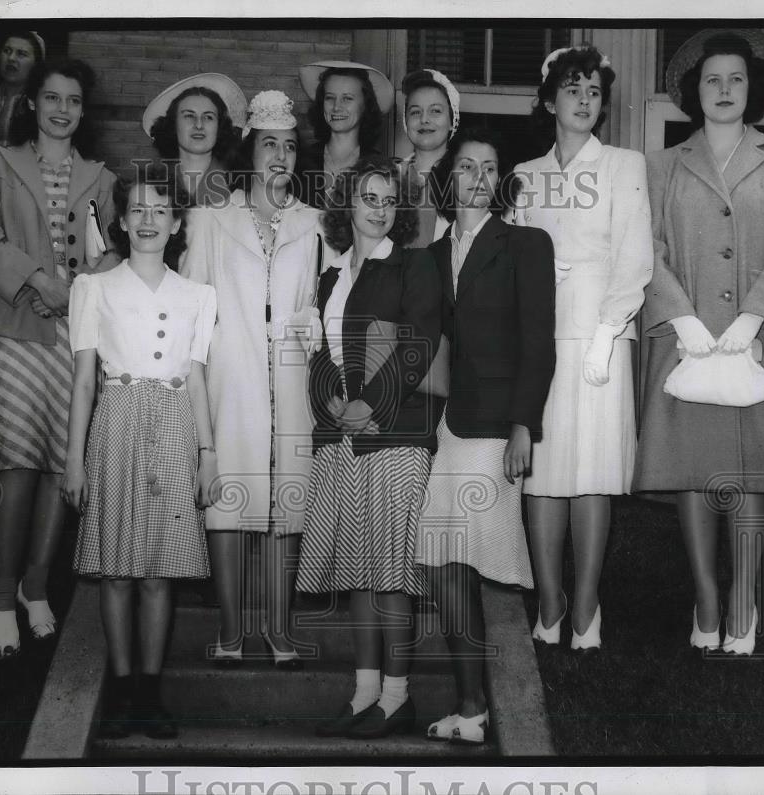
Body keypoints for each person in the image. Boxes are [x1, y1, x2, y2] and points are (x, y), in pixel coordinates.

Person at [634, 30, 764, 657]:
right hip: (684, 343)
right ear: (694, 90)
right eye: (712, 79)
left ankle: (744, 599)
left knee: (754, 472)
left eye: (736, 79)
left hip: (758, 342)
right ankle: (706, 598)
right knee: (693, 466)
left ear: (754, 88)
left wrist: (752, 319)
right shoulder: (660, 165)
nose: (724, 90)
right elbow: (646, 250)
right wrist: (681, 319)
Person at [0, 60, 117, 656]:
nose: (62, 109)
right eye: (51, 97)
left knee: (58, 463)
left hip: (73, 333)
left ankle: (37, 586)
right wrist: (37, 282)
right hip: (13, 327)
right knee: (18, 464)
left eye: (73, 100)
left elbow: (107, 250)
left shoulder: (101, 177)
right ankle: (0, 597)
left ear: (82, 109)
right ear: (32, 103)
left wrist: (80, 288)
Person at [63, 173, 219, 739]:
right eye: (138, 209)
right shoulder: (94, 289)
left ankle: (150, 695)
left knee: (158, 573)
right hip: (118, 424)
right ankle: (122, 691)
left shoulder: (198, 296)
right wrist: (74, 459)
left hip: (175, 427)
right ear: (122, 221)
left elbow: (197, 379)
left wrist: (208, 452)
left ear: (177, 224)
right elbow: (84, 383)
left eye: (161, 210)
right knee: (118, 573)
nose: (149, 218)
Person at [507, 46, 653, 651]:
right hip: (540, 343)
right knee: (543, 472)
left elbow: (634, 256)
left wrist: (604, 334)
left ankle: (587, 607)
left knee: (592, 472)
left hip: (601, 341)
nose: (585, 100)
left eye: (594, 90)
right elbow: (509, 260)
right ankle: (550, 601)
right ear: (549, 101)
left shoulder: (624, 165)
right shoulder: (526, 175)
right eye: (573, 89)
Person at [416, 128, 555, 744]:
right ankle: (470, 708)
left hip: (495, 427)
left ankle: (473, 703)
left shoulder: (526, 244)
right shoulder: (433, 251)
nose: (477, 176)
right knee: (446, 564)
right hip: (450, 426)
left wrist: (524, 424)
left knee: (455, 560)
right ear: (450, 180)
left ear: (501, 181)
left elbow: (538, 340)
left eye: (489, 166)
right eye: (466, 166)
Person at [296, 156, 441, 738]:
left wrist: (370, 407)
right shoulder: (331, 277)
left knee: (390, 572)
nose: (379, 209)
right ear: (347, 206)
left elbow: (419, 344)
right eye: (369, 198)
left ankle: (398, 695)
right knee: (358, 571)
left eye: (388, 200)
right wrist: (330, 403)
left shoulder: (414, 266)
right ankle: (363, 694)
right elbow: (319, 354)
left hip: (395, 437)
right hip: (342, 441)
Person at [183, 90, 322, 670]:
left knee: (288, 496)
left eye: (290, 147)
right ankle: (232, 626)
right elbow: (193, 305)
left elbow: (322, 297)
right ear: (251, 152)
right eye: (270, 145)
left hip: (290, 378)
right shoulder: (211, 221)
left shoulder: (314, 223)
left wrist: (313, 321)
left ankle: (280, 628)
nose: (281, 157)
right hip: (231, 374)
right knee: (229, 502)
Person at [297, 60, 394, 208]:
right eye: (330, 98)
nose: (336, 107)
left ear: (365, 105)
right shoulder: (300, 161)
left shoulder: (380, 166)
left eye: (347, 98)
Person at [141, 73, 246, 207]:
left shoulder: (237, 184)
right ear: (173, 124)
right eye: (189, 116)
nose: (198, 125)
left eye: (208, 117)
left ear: (220, 127)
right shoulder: (152, 183)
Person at [398, 69, 459, 247]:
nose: (424, 119)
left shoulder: (469, 177)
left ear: (451, 120)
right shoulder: (389, 176)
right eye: (415, 112)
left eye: (435, 111)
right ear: (405, 120)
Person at [0, 31, 45, 157]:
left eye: (21, 54)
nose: (11, 58)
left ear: (36, 65)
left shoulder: (41, 106)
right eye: (7, 51)